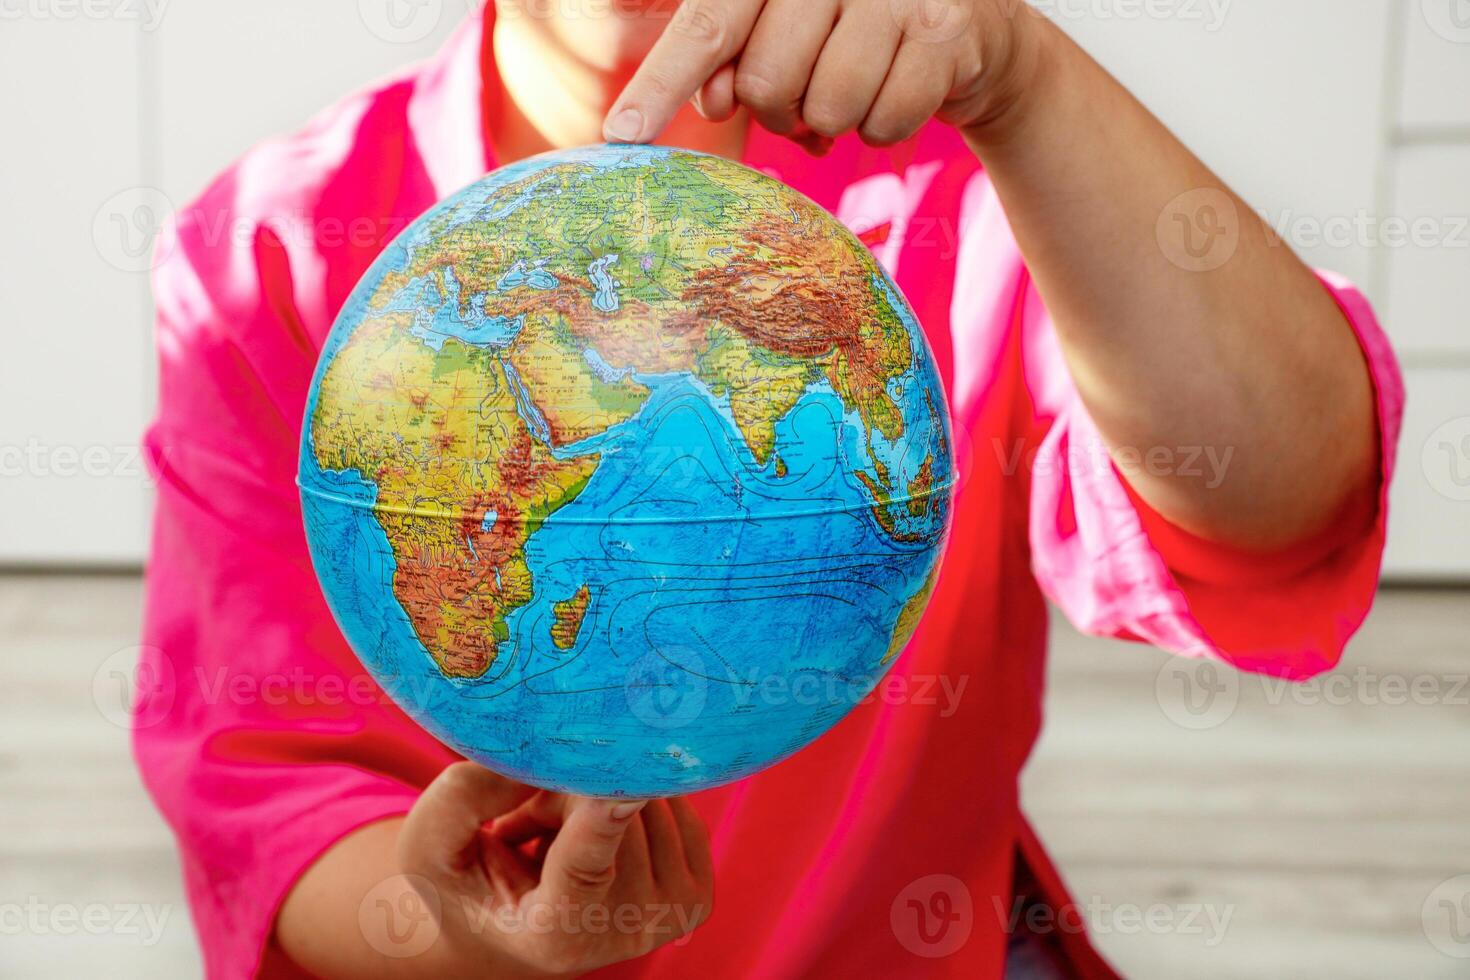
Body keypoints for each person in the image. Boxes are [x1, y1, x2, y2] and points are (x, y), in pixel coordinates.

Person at [134, 2, 1404, 977]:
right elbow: (263, 792)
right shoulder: (271, 252)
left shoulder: (978, 194)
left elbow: (1281, 497)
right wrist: (475, 939)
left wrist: (1026, 79)